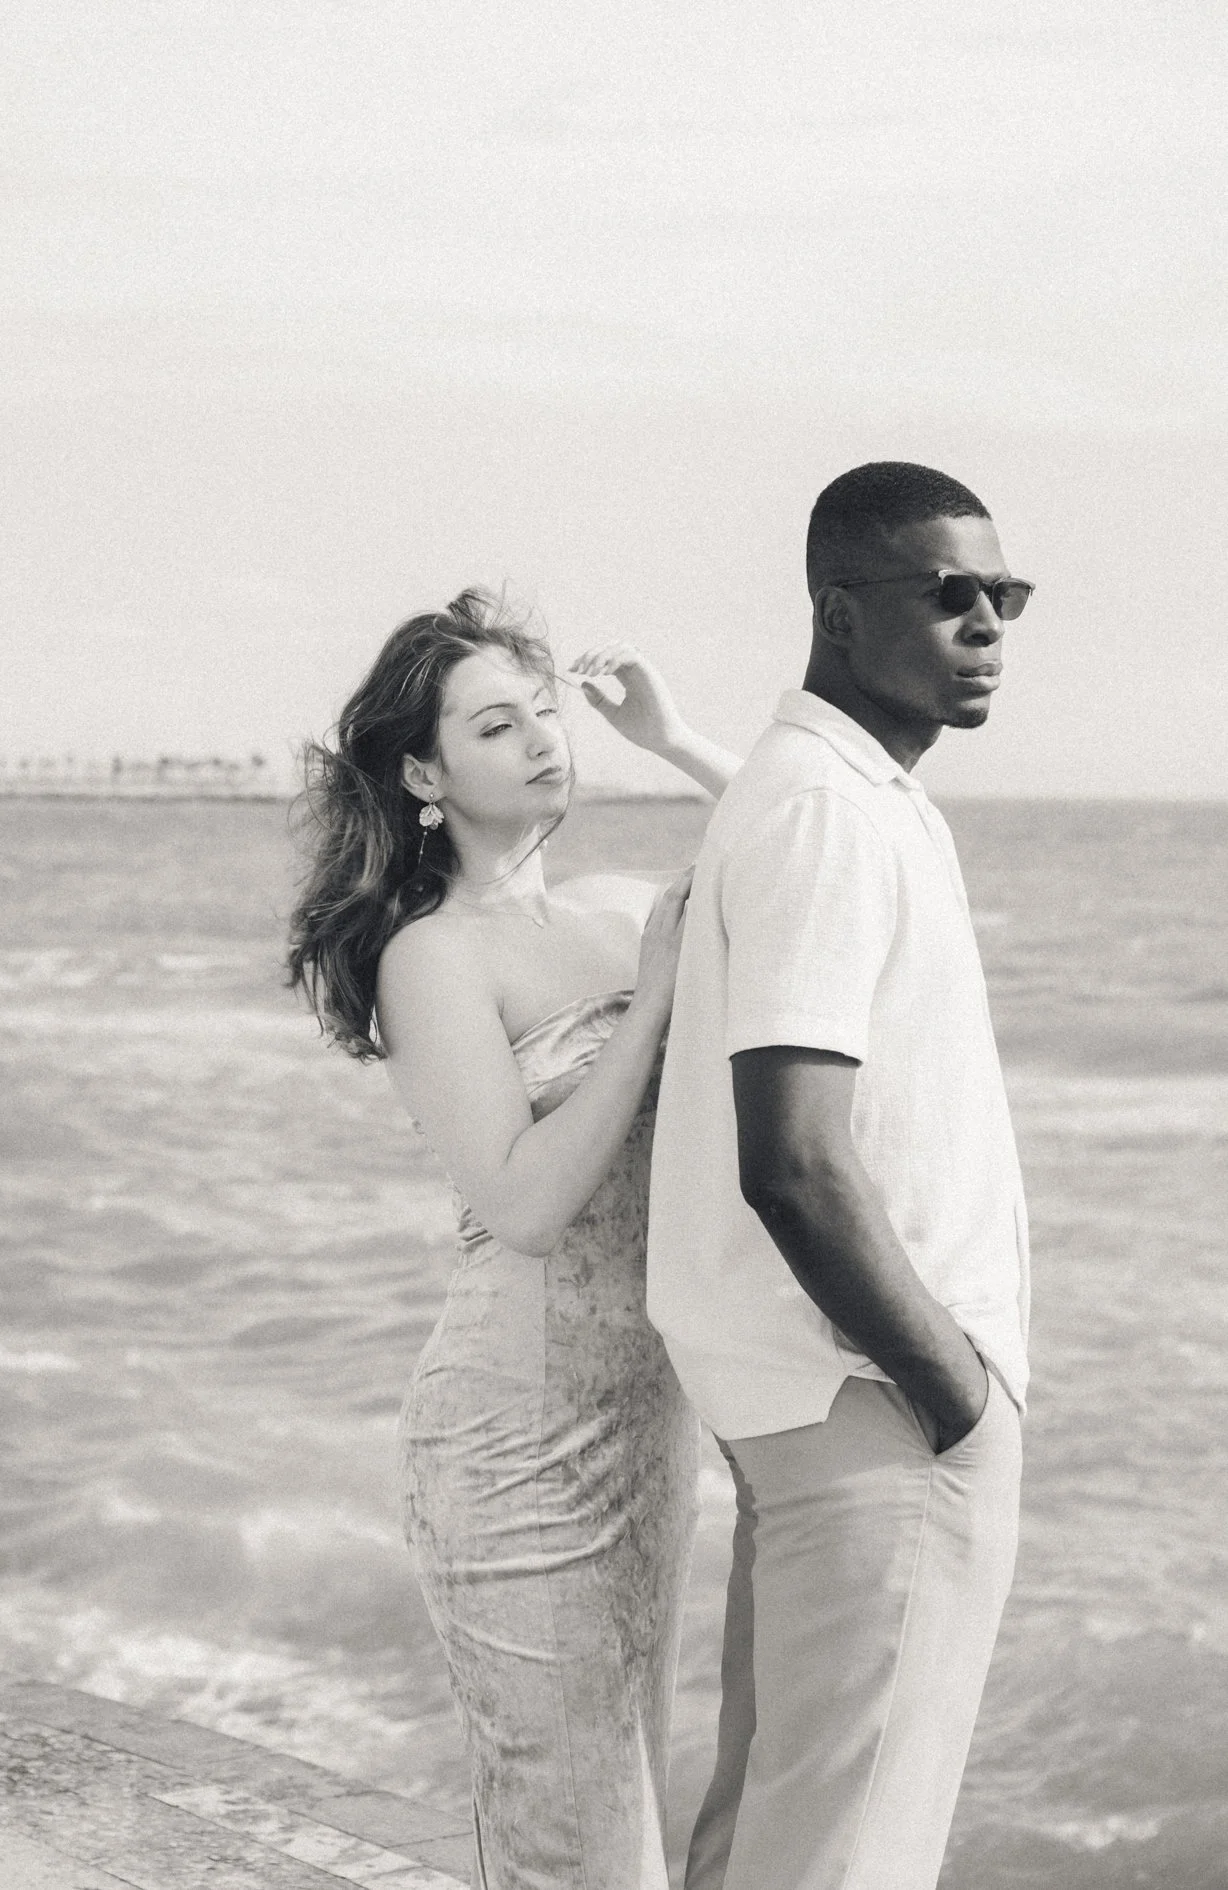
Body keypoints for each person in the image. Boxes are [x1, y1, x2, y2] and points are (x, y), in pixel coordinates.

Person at [287, 589, 740, 1890]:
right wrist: (654, 999)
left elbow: (820, 847)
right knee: (582, 1856)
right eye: (498, 724)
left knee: (617, 1826)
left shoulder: (614, 901)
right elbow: (527, 1205)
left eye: (547, 710)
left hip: (648, 1424)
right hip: (513, 1444)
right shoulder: (431, 956)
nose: (546, 737)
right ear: (425, 773)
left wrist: (677, 736)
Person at [648, 462, 1034, 1890]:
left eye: (1007, 595)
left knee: (772, 1842)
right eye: (950, 595)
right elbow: (795, 1157)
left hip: (828, 1407)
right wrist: (953, 1391)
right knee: (842, 1856)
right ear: (838, 611)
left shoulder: (832, 791)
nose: (987, 623)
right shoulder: (824, 811)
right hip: (875, 1412)